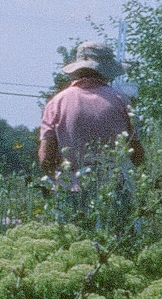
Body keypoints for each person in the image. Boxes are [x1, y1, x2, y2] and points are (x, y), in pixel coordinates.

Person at [38, 43, 141, 224]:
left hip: (71, 188)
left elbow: (45, 157)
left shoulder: (56, 102)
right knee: (117, 243)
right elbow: (137, 152)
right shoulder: (121, 100)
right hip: (114, 187)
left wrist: (59, 177)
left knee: (73, 244)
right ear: (106, 71)